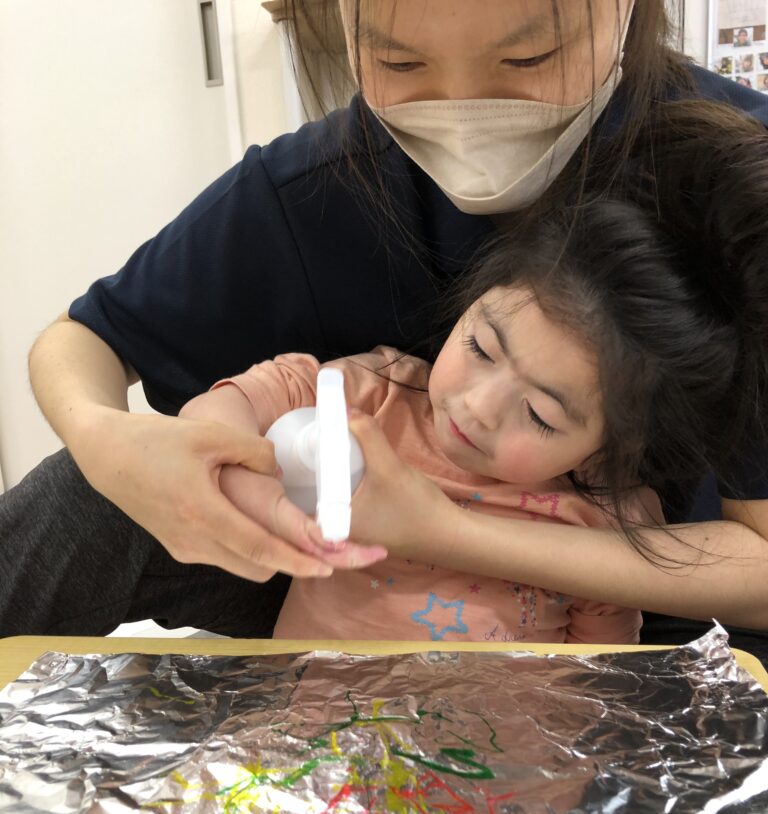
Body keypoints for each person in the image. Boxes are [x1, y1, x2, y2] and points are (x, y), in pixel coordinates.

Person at [3, 1, 768, 814]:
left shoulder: (741, 196)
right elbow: (83, 342)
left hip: (658, 603)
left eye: (528, 54)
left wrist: (447, 531)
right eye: (398, 60)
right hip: (334, 571)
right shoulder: (324, 204)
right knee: (84, 492)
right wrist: (117, 442)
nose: (462, 103)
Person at [180, 196, 760, 646]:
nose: (479, 406)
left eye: (539, 414)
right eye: (482, 347)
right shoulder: (373, 399)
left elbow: (596, 679)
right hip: (322, 732)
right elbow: (236, 405)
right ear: (469, 304)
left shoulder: (607, 525)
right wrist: (228, 457)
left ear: (610, 447)